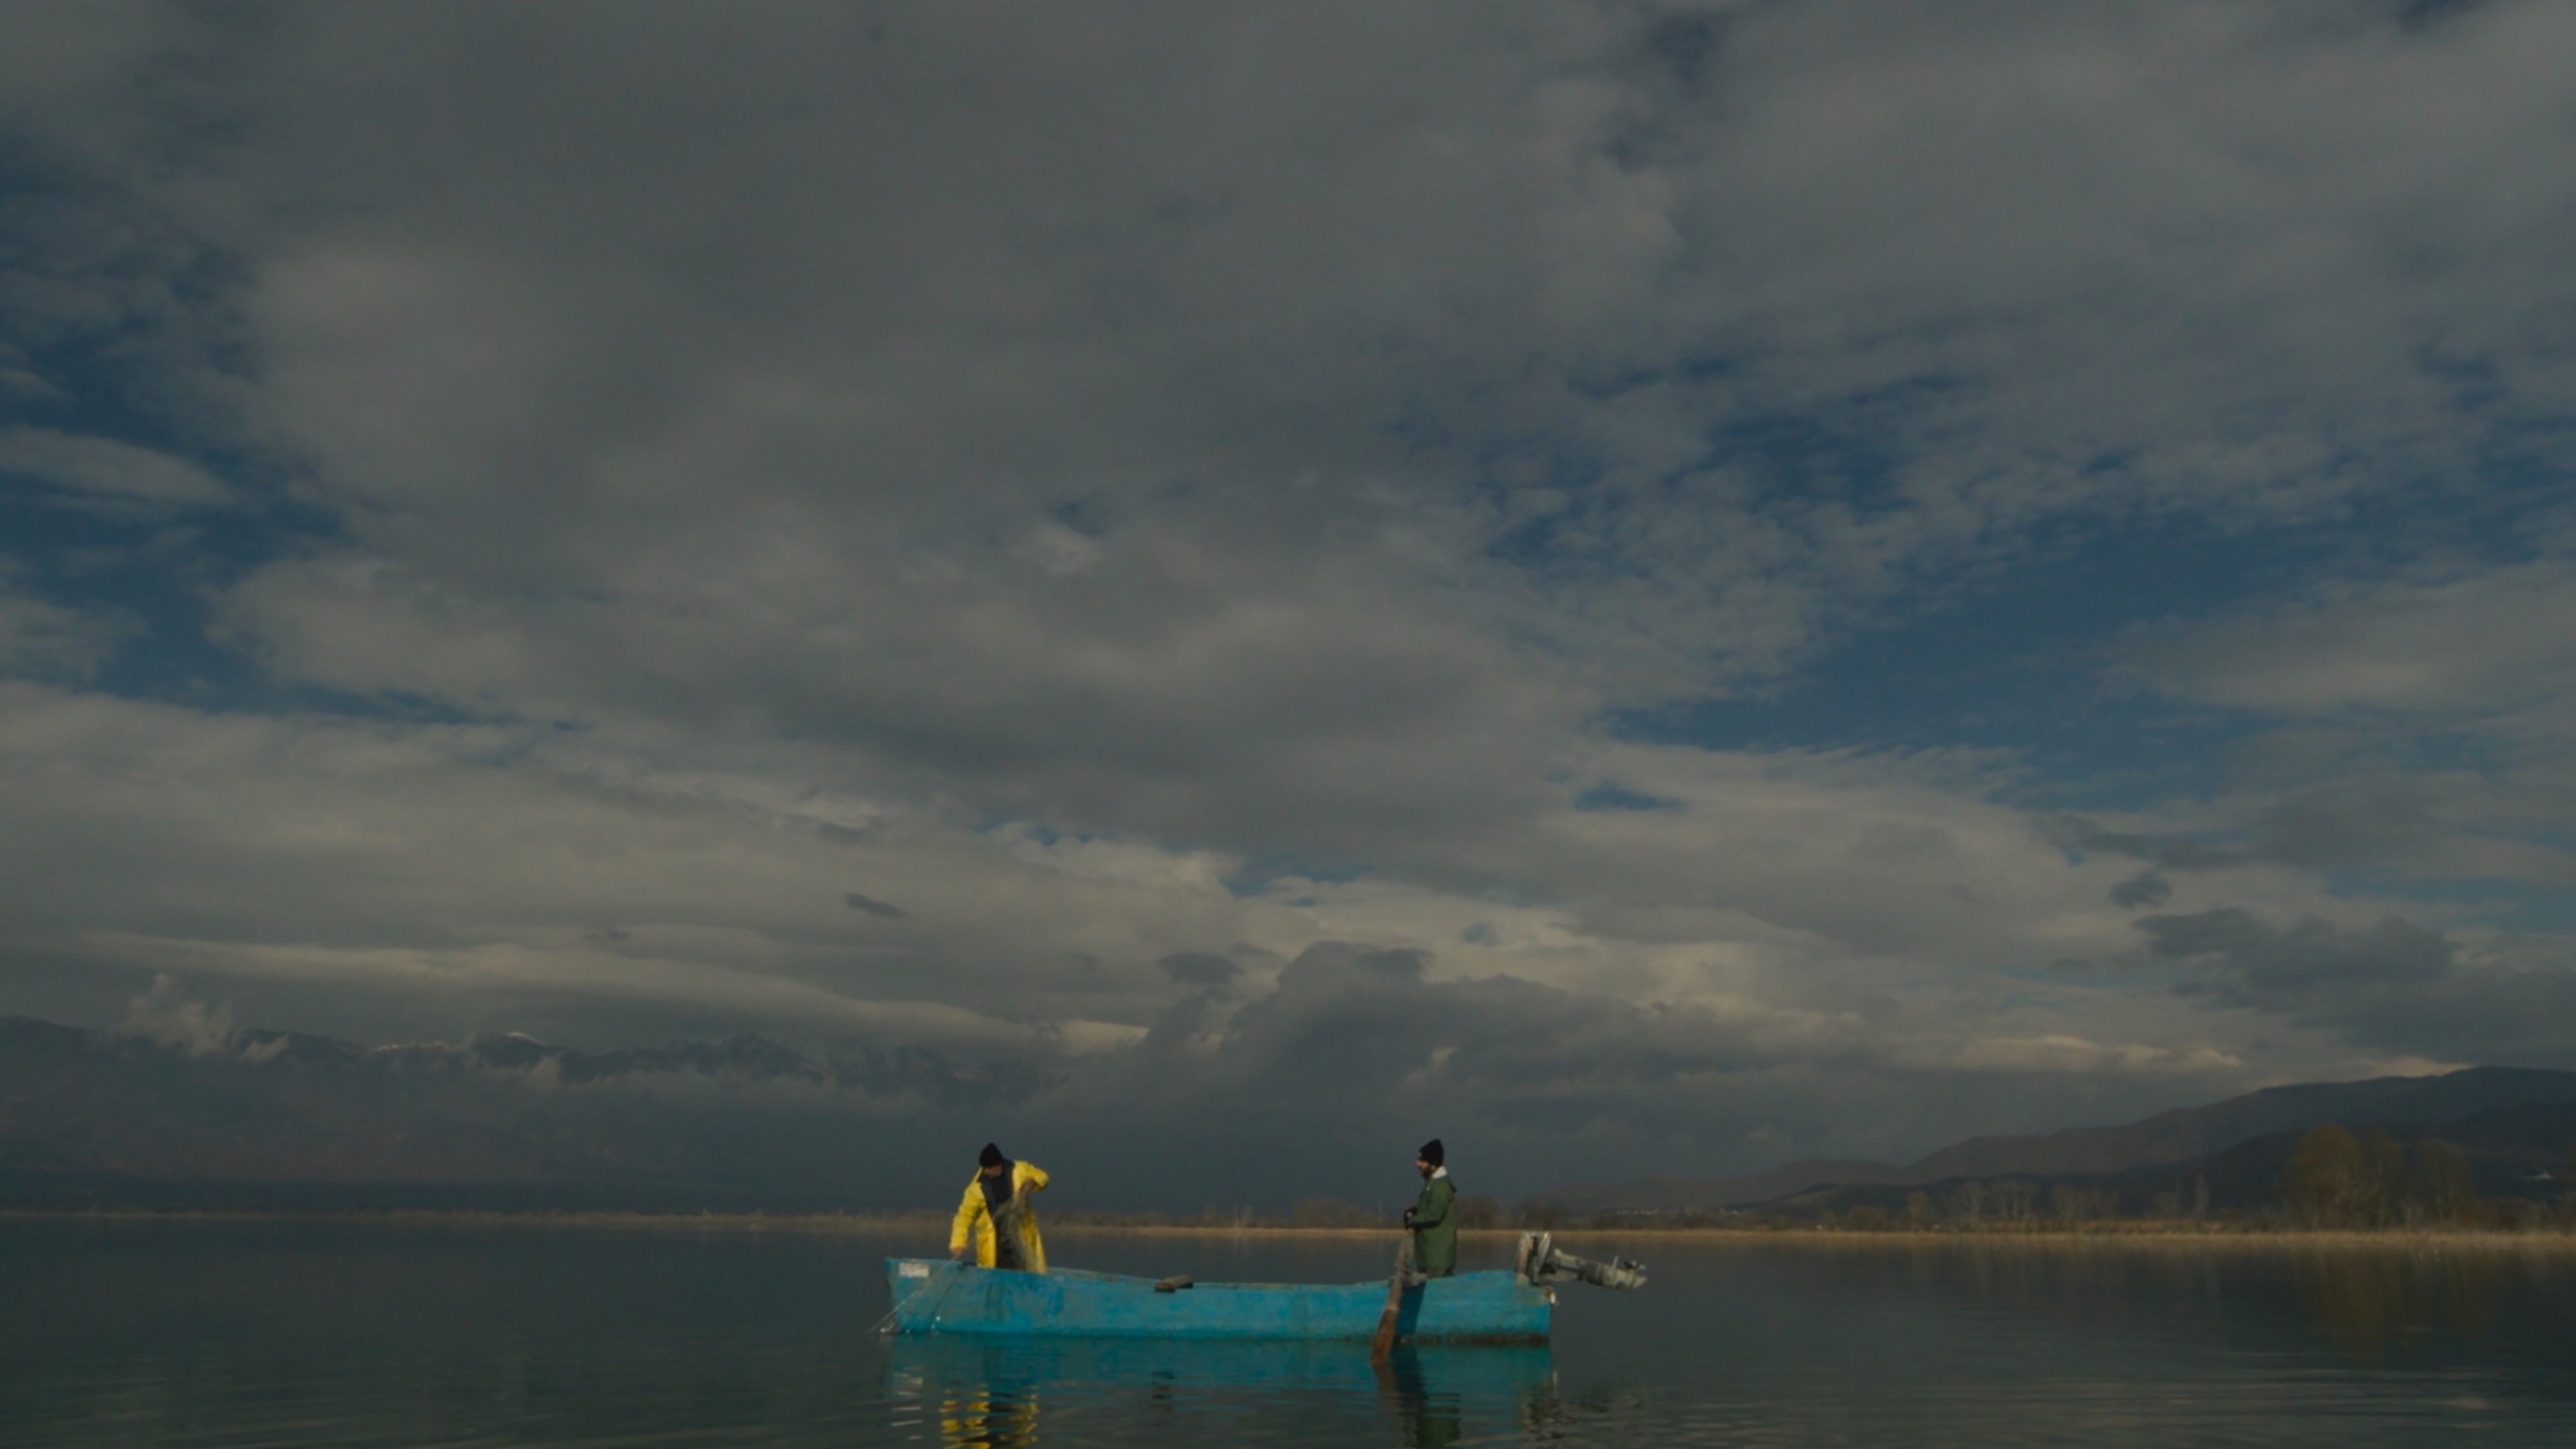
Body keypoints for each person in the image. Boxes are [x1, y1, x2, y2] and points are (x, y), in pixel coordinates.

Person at [951, 1142, 1050, 1272]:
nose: (986, 1171)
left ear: (999, 1165)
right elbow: (964, 1216)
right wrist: (958, 1242)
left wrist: (1033, 1183)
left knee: (1026, 1272)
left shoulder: (1019, 1170)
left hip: (1021, 1240)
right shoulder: (977, 1188)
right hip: (993, 1248)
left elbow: (1044, 1178)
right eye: (984, 1168)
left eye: (989, 1168)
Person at [1403, 1138, 1457, 1279]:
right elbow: (1430, 1209)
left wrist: (1411, 1220)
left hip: (1437, 1258)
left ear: (1432, 1164)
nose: (1417, 1164)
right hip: (1430, 1257)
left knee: (1436, 1296)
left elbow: (1434, 1214)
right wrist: (1416, 1211)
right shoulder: (1432, 1183)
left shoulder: (1440, 1186)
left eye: (1422, 1161)